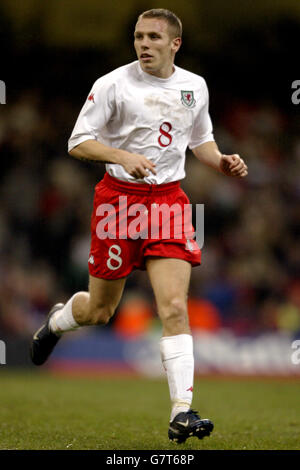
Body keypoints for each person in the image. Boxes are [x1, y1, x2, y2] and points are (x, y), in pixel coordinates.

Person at [30, 8, 248, 444]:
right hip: (117, 203)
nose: (143, 44)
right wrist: (122, 156)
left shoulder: (194, 86)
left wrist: (221, 160)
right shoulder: (113, 84)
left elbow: (200, 140)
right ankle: (57, 322)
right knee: (100, 310)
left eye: (153, 37)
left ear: (175, 44)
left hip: (170, 203)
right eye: (138, 36)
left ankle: (181, 412)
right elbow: (77, 142)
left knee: (173, 307)